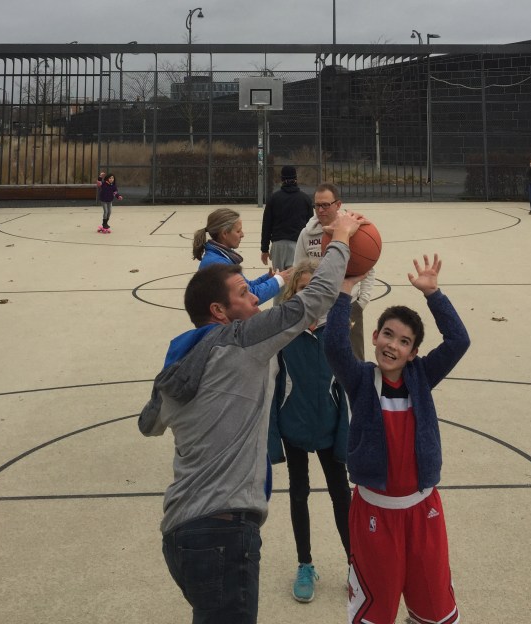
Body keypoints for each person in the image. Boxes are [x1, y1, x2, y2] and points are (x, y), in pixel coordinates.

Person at [138, 209, 365, 624]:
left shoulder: (180, 362)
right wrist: (342, 240)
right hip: (223, 531)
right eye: (244, 293)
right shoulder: (242, 342)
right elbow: (314, 299)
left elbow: (148, 424)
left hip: (179, 532)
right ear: (219, 311)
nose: (255, 298)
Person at [324, 254, 470, 624]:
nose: (393, 345)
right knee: (377, 610)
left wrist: (434, 295)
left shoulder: (422, 376)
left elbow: (459, 340)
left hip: (423, 511)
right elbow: (335, 346)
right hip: (375, 512)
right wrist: (344, 290)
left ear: (414, 352)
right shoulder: (361, 380)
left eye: (404, 341)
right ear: (374, 337)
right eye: (387, 334)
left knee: (434, 607)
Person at [268, 261, 351, 604]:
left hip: (330, 427)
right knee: (298, 492)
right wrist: (273, 438)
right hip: (295, 427)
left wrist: (347, 434)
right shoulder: (282, 333)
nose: (310, 295)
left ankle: (356, 564)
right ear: (293, 293)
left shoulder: (337, 331)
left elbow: (347, 387)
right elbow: (272, 387)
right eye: (303, 289)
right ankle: (305, 564)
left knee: (341, 494)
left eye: (315, 288)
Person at [295, 183, 375, 359]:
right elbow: (297, 272)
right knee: (321, 360)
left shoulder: (355, 229)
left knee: (354, 358)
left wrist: (361, 302)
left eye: (325, 205)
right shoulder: (306, 234)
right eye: (317, 205)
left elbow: (368, 268)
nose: (320, 210)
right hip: (316, 307)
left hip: (348, 304)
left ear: (338, 205)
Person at [193, 207, 284, 305]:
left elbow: (247, 287)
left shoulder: (221, 257)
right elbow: (248, 297)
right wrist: (278, 280)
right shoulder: (218, 264)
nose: (242, 234)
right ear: (224, 233)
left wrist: (268, 277)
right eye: (238, 231)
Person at [260, 165, 314, 271]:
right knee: (295, 277)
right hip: (297, 243)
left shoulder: (274, 198)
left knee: (279, 278)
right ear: (296, 178)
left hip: (278, 244)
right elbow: (310, 226)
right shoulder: (305, 199)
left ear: (282, 179)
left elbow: (266, 226)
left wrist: (264, 249)